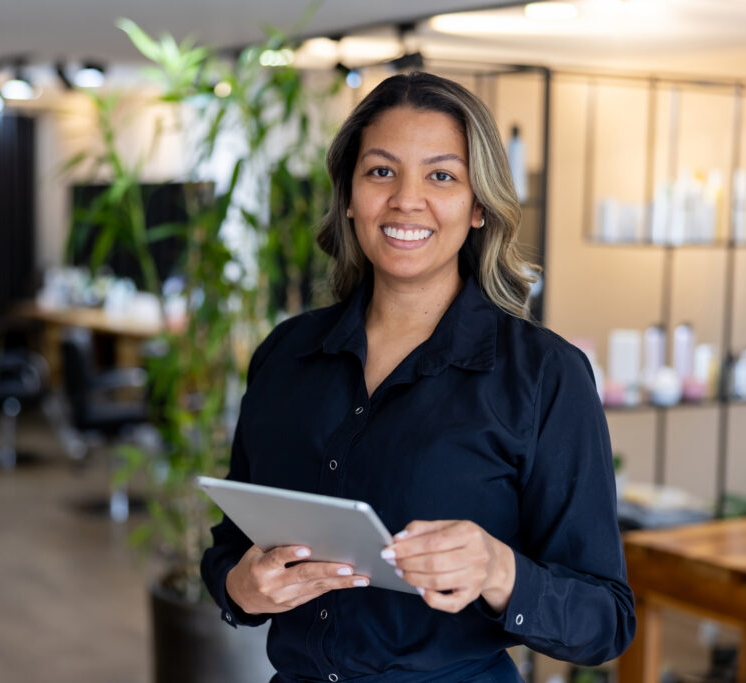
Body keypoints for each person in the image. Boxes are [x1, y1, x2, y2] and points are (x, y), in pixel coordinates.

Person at [201, 71, 635, 682]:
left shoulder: (544, 376)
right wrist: (239, 588)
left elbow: (605, 621)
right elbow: (230, 544)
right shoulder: (285, 355)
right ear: (349, 196)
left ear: (478, 204)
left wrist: (497, 569)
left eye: (441, 175)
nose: (407, 199)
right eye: (381, 171)